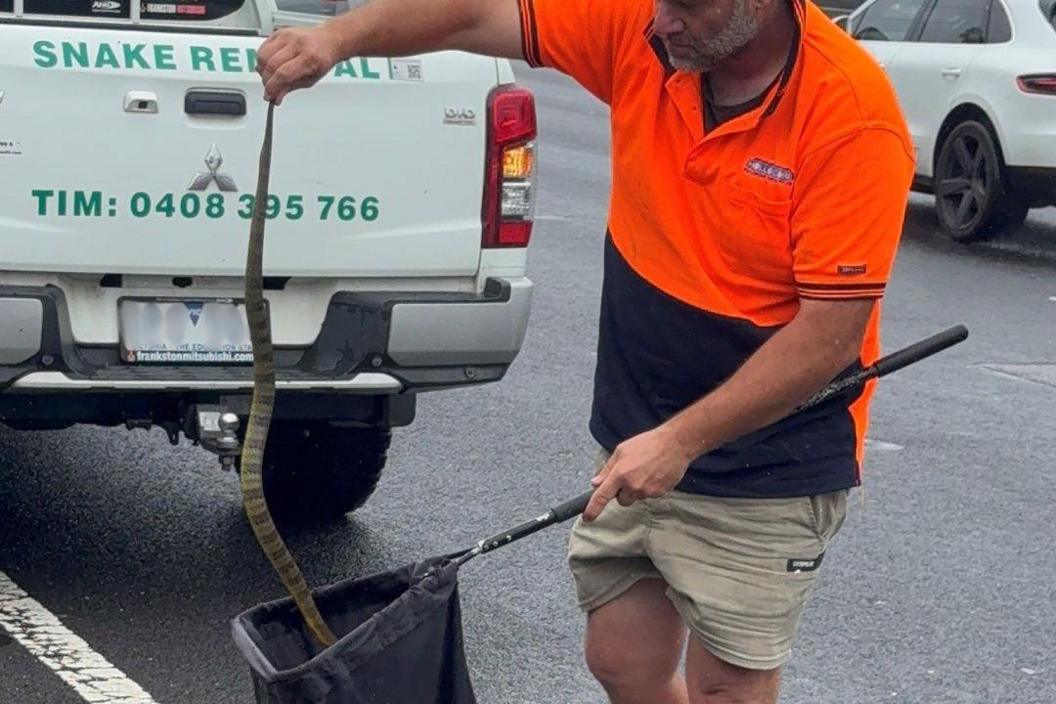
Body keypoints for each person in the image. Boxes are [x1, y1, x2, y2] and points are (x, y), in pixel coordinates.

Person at [257, 0, 914, 701]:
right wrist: (334, 39)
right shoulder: (644, 27)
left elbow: (828, 337)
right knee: (621, 658)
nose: (659, 22)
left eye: (683, 8)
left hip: (768, 463)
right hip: (638, 430)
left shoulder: (850, 115)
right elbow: (473, 14)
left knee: (726, 688)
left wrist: (681, 440)